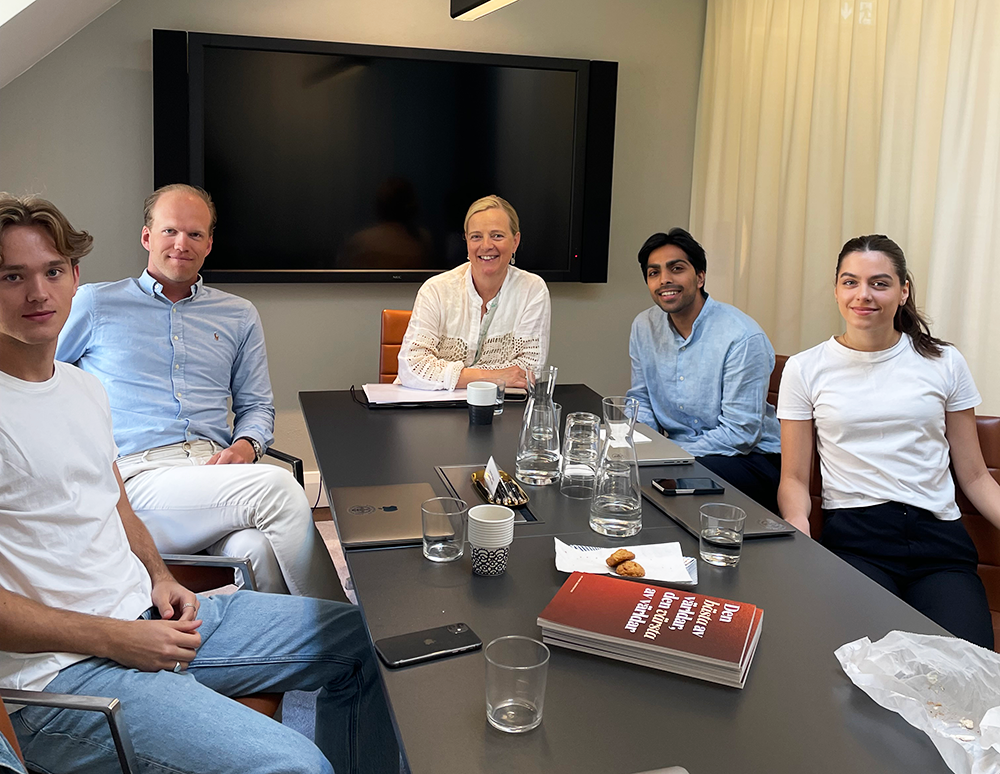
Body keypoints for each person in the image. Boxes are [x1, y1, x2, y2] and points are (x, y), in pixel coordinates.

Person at [0, 193, 397, 773]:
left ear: (73, 275)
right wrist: (118, 639)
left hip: (151, 616)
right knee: (297, 766)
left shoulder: (83, 389)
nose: (38, 293)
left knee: (366, 644)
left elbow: (118, 507)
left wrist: (160, 577)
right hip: (65, 674)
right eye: (12, 276)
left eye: (52, 271)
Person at [56, 184, 341, 599]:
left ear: (209, 244)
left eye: (194, 234)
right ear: (147, 237)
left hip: (217, 474)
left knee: (256, 549)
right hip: (138, 481)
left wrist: (246, 447)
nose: (181, 244)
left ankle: (289, 656)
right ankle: (353, 636)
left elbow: (257, 406)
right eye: (170, 231)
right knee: (279, 490)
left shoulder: (239, 315)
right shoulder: (95, 304)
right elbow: (39, 378)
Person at [777, 234, 997, 649]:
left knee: (972, 672)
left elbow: (975, 475)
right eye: (850, 282)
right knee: (862, 676)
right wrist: (797, 532)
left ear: (903, 291)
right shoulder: (805, 369)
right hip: (857, 543)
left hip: (939, 544)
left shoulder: (944, 361)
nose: (864, 295)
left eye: (879, 283)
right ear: (837, 289)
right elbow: (793, 479)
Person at [627, 228, 782, 512]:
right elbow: (641, 400)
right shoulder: (643, 326)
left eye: (676, 269)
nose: (665, 280)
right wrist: (634, 445)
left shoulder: (742, 337)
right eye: (654, 273)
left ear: (700, 276)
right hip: (680, 456)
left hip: (750, 461)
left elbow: (740, 434)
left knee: (655, 487)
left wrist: (662, 455)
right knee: (612, 471)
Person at [396, 194, 550, 390]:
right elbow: (412, 367)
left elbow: (529, 372)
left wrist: (448, 375)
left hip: (502, 410)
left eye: (497, 235)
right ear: (467, 242)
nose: (486, 245)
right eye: (476, 236)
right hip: (430, 411)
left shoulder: (533, 290)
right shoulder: (435, 290)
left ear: (515, 242)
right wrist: (494, 376)